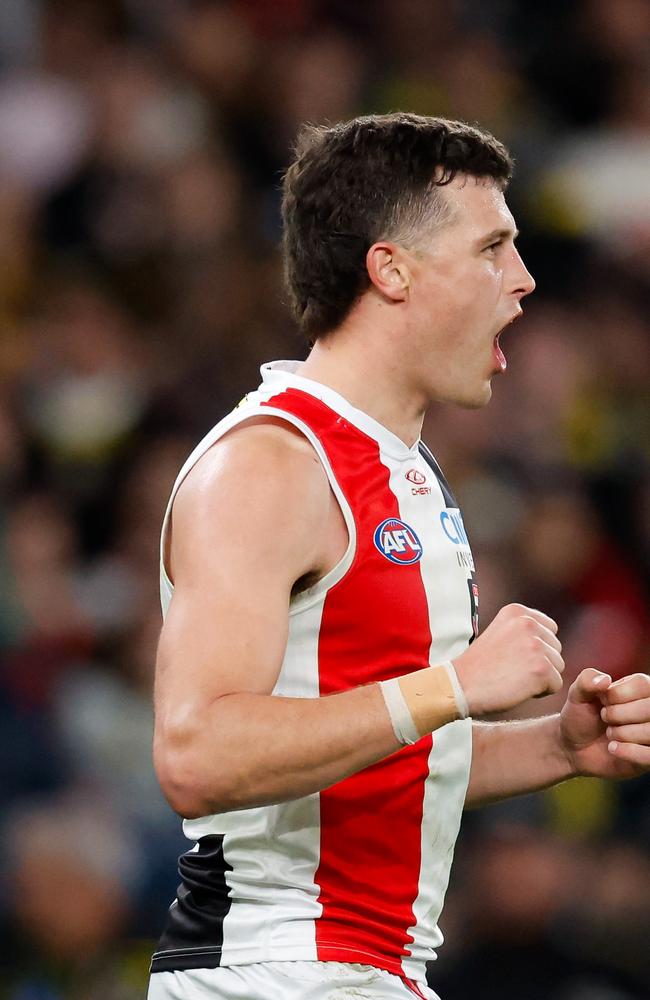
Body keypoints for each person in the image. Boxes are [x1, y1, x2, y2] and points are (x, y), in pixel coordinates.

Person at [147, 113, 650, 1000]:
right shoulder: (271, 464)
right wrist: (453, 688)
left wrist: (556, 748)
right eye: (494, 247)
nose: (525, 281)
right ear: (392, 270)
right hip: (274, 971)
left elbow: (379, 763)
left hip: (365, 971)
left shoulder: (404, 472)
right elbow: (196, 754)